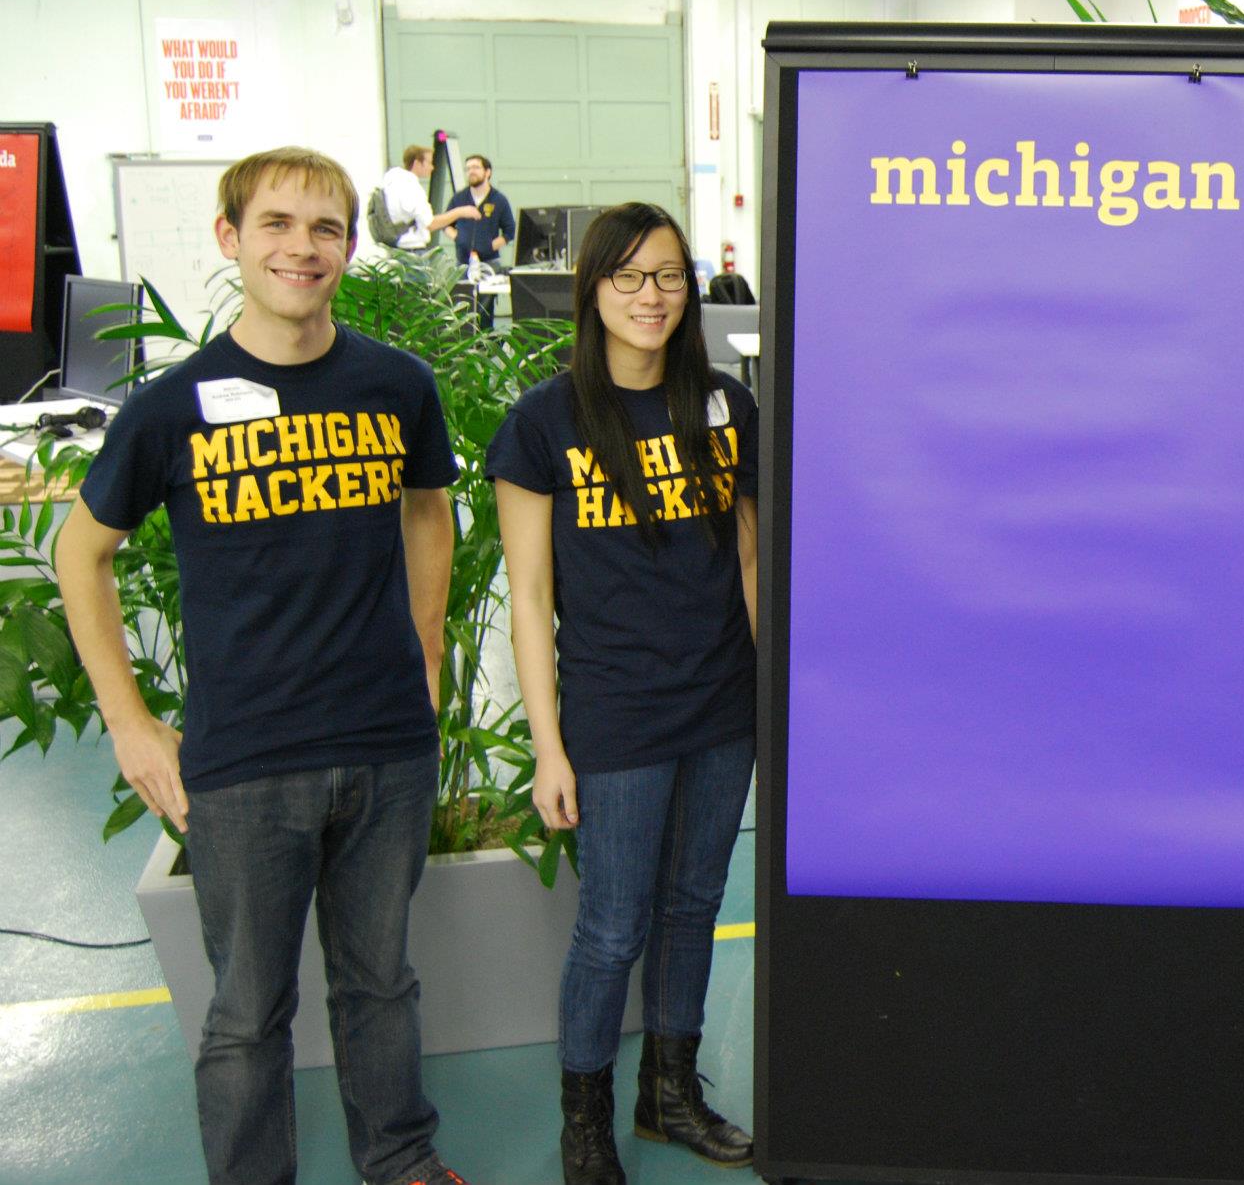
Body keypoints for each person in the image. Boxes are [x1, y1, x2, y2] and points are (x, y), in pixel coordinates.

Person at [53, 147, 471, 1185]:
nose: (303, 247)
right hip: (246, 763)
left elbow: (427, 506)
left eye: (325, 228)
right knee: (246, 1015)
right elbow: (79, 551)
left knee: (380, 983)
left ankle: (401, 1160)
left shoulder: (394, 383)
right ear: (229, 238)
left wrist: (426, 644)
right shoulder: (172, 405)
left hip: (384, 746)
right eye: (277, 224)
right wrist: (132, 722)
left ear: (347, 245)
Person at [486, 203, 758, 1185]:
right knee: (611, 926)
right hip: (615, 714)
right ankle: (586, 1116)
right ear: (592, 290)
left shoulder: (726, 407)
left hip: (723, 704)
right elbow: (527, 596)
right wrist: (549, 748)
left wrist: (768, 693)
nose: (651, 296)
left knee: (694, 904)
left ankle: (669, 1095)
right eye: (629, 277)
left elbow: (748, 556)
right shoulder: (543, 422)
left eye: (669, 277)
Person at [378, 143, 478, 251]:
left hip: (394, 247)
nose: (432, 167)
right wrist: (461, 212)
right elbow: (430, 224)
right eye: (429, 163)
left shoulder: (391, 182)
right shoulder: (411, 187)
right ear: (417, 163)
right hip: (411, 250)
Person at [445, 153, 516, 271]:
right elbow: (446, 224)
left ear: (488, 172)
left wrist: (491, 246)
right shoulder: (459, 198)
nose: (471, 171)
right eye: (468, 169)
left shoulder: (499, 199)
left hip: (490, 263)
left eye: (476, 167)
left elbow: (510, 231)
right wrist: (459, 238)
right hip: (463, 264)